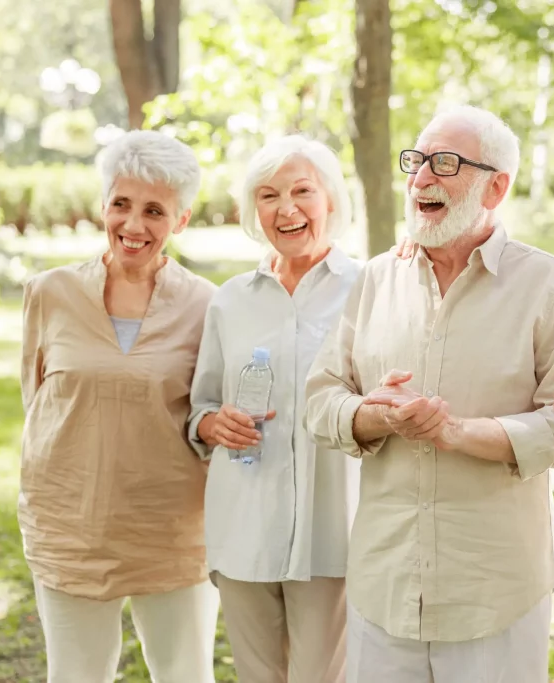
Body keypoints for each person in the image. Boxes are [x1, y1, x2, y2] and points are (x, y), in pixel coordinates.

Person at [305, 105, 554, 683]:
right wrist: (374, 416)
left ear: (497, 186)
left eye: (445, 163)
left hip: (494, 593)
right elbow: (320, 400)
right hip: (384, 586)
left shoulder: (548, 285)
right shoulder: (375, 279)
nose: (421, 179)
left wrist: (460, 433)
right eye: (417, 162)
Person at [19, 130, 219, 683]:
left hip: (174, 530)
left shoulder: (208, 304)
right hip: (70, 525)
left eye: (154, 210)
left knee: (185, 675)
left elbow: (207, 411)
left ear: (180, 221)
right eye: (121, 204)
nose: (133, 225)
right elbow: (37, 401)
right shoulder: (49, 292)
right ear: (103, 205)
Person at [187, 135, 361, 683]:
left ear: (330, 200)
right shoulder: (231, 300)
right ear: (253, 211)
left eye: (302, 191)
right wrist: (214, 423)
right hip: (244, 522)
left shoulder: (367, 288)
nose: (286, 209)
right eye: (268, 195)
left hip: (332, 525)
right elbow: (200, 406)